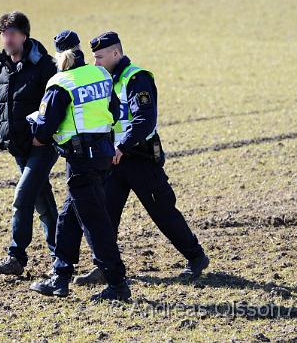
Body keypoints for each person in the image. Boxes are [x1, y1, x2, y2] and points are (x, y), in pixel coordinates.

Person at [73, 31, 209, 287]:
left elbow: (146, 119)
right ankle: (104, 267)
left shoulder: (137, 78)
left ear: (116, 53)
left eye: (100, 57)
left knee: (162, 211)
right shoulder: (103, 81)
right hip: (113, 160)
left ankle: (196, 257)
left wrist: (122, 146)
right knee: (105, 216)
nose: (96, 63)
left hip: (139, 157)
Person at [27, 30, 131, 302]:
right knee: (68, 216)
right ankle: (60, 277)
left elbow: (47, 126)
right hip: (102, 156)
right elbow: (114, 109)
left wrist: (37, 135)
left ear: (59, 55)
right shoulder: (101, 75)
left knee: (96, 223)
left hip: (80, 159)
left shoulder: (61, 82)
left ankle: (117, 284)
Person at [0, 11, 60, 276]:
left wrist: (42, 136)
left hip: (43, 145)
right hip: (19, 147)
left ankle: (16, 257)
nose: (8, 38)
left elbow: (56, 106)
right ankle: (61, 258)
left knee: (22, 197)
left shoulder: (45, 66)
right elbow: (1, 108)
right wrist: (6, 138)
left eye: (13, 33)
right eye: (4, 33)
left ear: (24, 35)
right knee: (43, 203)